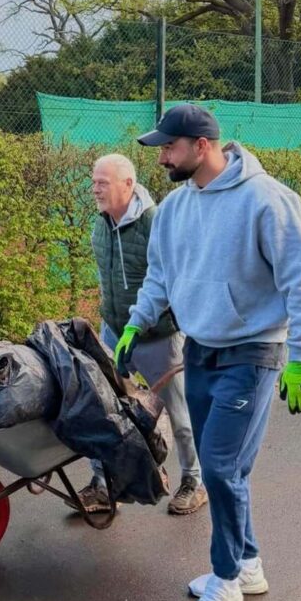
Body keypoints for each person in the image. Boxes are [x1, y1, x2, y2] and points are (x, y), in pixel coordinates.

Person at [114, 104, 301, 601]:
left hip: (253, 352)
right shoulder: (176, 208)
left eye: (169, 147)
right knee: (226, 470)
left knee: (219, 468)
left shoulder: (267, 199)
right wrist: (135, 326)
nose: (161, 157)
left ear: (202, 145)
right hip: (201, 347)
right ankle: (247, 563)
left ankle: (226, 580)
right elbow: (160, 276)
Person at [74, 153, 207, 516]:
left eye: (103, 182)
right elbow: (107, 279)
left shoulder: (156, 223)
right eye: (94, 180)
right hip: (114, 331)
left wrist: (183, 326)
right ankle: (103, 484)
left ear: (128, 185)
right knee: (101, 408)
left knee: (179, 413)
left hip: (158, 337)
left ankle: (194, 481)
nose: (95, 188)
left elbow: (180, 277)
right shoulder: (101, 225)